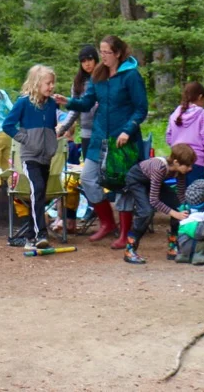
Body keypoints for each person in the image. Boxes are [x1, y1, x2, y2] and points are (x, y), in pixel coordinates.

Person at [55, 36, 148, 248]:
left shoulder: (131, 76)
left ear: (118, 53)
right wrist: (68, 102)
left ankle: (124, 234)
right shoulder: (99, 74)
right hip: (98, 138)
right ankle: (107, 223)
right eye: (102, 52)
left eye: (106, 52)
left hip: (122, 140)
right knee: (87, 178)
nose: (103, 56)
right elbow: (87, 103)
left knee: (123, 185)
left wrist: (128, 130)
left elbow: (141, 108)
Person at [3, 65, 60, 251]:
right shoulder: (23, 103)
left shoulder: (52, 104)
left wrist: (53, 142)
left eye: (52, 83)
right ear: (36, 83)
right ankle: (40, 234)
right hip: (29, 156)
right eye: (48, 83)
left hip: (46, 156)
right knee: (38, 189)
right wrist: (26, 140)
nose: (51, 86)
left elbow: (52, 127)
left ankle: (29, 236)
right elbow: (8, 125)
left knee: (39, 194)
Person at [120, 143, 196, 265]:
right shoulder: (159, 168)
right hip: (136, 180)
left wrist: (183, 208)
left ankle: (173, 246)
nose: (190, 168)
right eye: (187, 165)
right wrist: (175, 214)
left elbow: (180, 193)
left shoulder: (181, 171)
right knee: (146, 212)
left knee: (179, 207)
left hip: (151, 181)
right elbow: (154, 200)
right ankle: (130, 250)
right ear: (176, 162)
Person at [56, 45, 100, 165]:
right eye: (83, 61)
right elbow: (74, 110)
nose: (87, 64)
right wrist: (62, 128)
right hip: (86, 133)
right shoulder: (78, 83)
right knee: (89, 169)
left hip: (103, 132)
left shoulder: (104, 79)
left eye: (90, 59)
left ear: (96, 59)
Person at [166, 82, 204, 182]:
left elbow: (168, 138)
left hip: (178, 160)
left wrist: (178, 148)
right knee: (196, 189)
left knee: (180, 189)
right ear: (200, 97)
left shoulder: (175, 114)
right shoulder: (202, 114)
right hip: (196, 159)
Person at [174, 178, 204, 265]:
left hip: (192, 246)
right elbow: (200, 232)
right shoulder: (189, 218)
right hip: (190, 246)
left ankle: (200, 253)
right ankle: (197, 256)